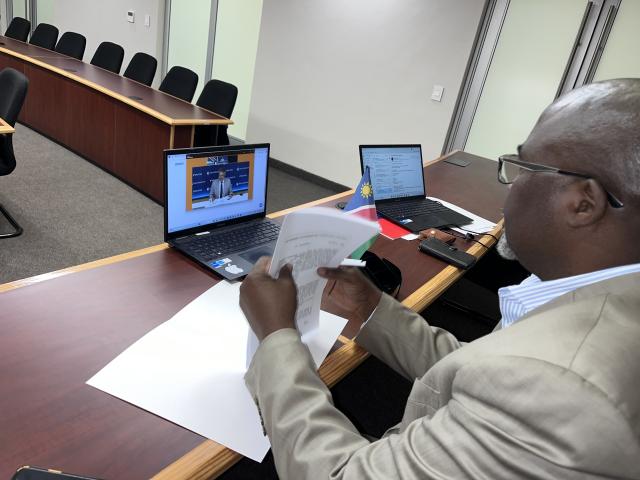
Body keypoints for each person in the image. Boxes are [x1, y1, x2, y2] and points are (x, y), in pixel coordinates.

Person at [239, 79, 640, 479]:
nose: (509, 188)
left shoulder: (559, 385)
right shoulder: (584, 293)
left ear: (583, 203)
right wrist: (371, 307)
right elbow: (480, 369)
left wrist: (275, 335)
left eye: (522, 169)